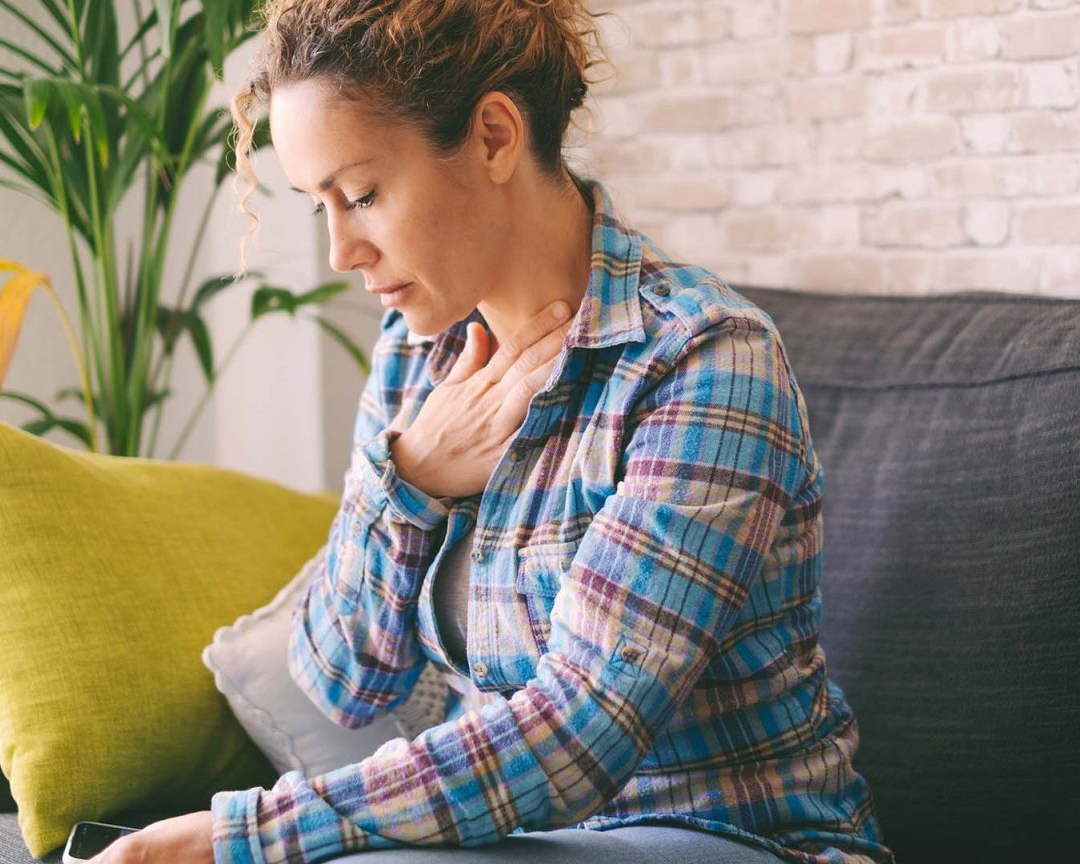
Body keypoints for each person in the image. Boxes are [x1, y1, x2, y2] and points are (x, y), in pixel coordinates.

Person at [97, 1, 892, 863]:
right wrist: (408, 479)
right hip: (527, 841)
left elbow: (578, 735)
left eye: (361, 194)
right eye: (317, 205)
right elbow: (342, 683)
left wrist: (235, 834)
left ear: (493, 137)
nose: (340, 252)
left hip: (736, 837)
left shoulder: (702, 362)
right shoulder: (417, 354)